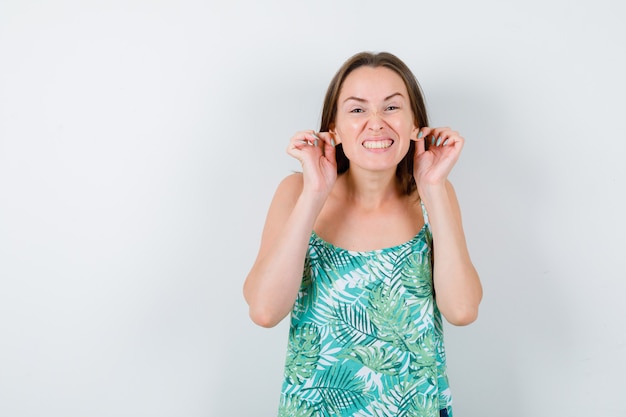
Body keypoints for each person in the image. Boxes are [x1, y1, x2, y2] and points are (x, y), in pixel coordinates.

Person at [243, 51, 482, 417]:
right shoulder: (296, 192)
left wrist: (433, 186)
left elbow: (463, 310)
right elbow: (264, 310)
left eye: (391, 108)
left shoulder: (433, 196)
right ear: (334, 128)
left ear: (415, 122)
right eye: (357, 110)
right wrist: (315, 193)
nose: (375, 123)